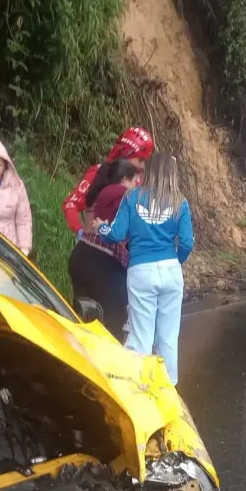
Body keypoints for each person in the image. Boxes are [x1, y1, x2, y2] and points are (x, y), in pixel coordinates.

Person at [95, 153, 194, 386]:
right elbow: (187, 242)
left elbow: (117, 234)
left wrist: (101, 229)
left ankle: (138, 387)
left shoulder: (131, 197)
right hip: (170, 270)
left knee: (140, 336)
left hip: (141, 270)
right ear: (172, 173)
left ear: (148, 172)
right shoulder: (180, 202)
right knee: (168, 337)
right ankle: (168, 389)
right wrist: (175, 261)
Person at [63, 127, 154, 337]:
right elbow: (72, 205)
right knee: (110, 325)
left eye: (144, 162)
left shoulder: (138, 182)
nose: (141, 167)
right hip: (109, 262)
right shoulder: (101, 174)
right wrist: (79, 231)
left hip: (96, 258)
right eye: (139, 160)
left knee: (86, 319)